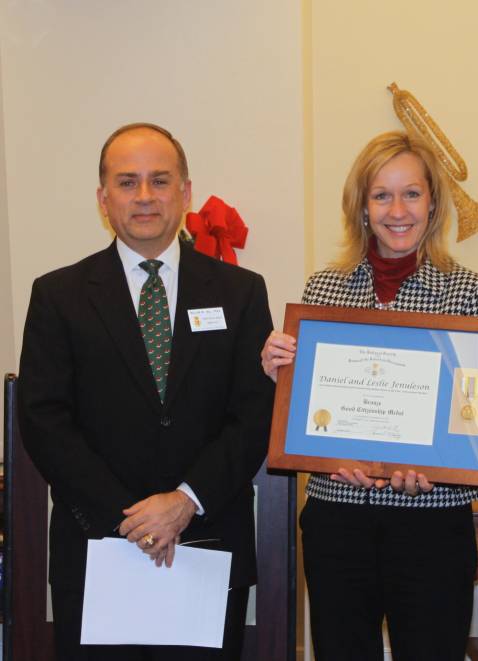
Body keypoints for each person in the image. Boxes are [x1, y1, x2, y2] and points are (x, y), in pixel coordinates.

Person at [18, 122, 275, 660]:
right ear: (103, 198)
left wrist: (184, 502)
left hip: (205, 547)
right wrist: (131, 517)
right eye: (127, 182)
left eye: (159, 181)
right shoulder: (58, 295)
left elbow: (253, 415)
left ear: (184, 192)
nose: (144, 197)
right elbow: (44, 421)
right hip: (98, 550)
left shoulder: (240, 293)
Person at [261, 131, 478, 661]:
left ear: (433, 203)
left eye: (411, 194)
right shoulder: (324, 289)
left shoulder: (472, 292)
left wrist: (437, 465)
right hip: (338, 518)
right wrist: (277, 372)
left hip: (432, 520)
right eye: (381, 195)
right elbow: (306, 412)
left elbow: (474, 418)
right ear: (362, 207)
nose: (397, 210)